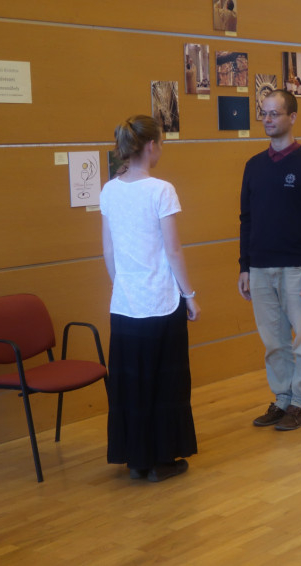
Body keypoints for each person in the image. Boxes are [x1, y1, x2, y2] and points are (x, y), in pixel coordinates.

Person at [101, 115, 201, 482]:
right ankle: (162, 460)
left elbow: (109, 251)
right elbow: (173, 250)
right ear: (151, 146)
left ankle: (137, 460)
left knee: (132, 384)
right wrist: (189, 295)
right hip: (161, 302)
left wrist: (125, 285)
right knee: (165, 383)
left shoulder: (109, 190)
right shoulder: (162, 190)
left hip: (124, 305)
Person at [238, 89, 301, 431]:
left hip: (298, 270)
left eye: (274, 113)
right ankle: (282, 400)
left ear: (292, 117)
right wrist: (244, 266)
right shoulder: (253, 167)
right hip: (260, 269)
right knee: (274, 343)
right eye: (263, 113)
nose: (267, 119)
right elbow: (246, 220)